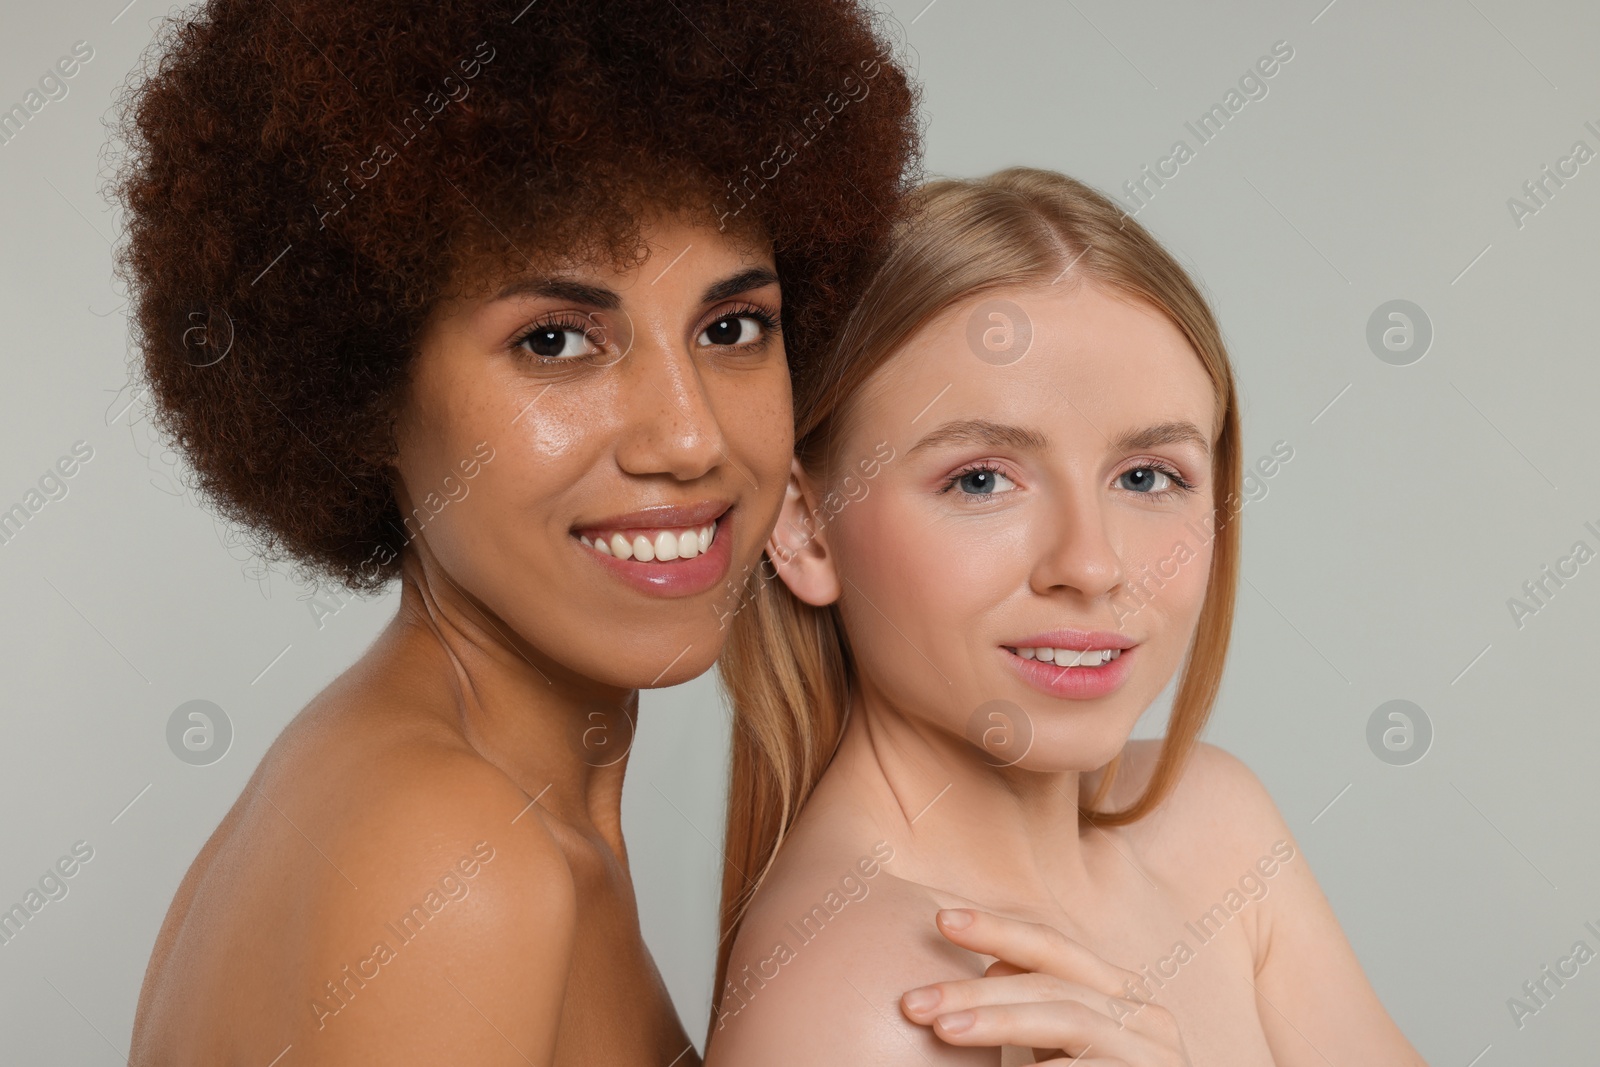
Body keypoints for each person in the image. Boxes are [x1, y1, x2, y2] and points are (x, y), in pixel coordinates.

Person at [112, 0, 922, 1062]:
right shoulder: (456, 865)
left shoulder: (448, 790)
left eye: (732, 328)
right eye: (555, 341)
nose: (688, 435)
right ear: (362, 390)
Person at [707, 168, 1430, 1065]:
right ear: (805, 528)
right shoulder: (870, 999)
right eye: (980, 479)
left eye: (1146, 477)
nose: (1092, 564)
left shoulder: (1216, 828)